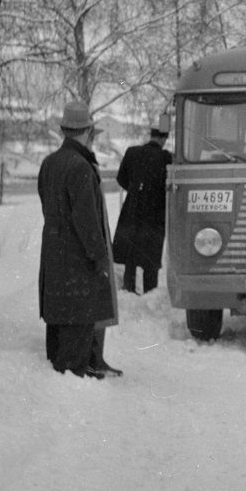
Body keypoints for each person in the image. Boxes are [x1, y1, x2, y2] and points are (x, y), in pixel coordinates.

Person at [37, 101, 121, 379]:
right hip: (78, 254)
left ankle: (80, 362)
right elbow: (87, 221)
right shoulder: (81, 166)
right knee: (81, 310)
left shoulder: (49, 163)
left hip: (54, 249)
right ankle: (78, 368)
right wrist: (99, 256)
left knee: (60, 311)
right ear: (88, 132)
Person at [112, 116, 172, 294]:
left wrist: (135, 191)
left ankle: (129, 287)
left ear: (151, 135)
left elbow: (121, 178)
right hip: (155, 212)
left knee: (131, 250)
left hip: (133, 209)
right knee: (151, 255)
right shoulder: (166, 157)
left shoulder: (132, 152)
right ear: (163, 138)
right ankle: (149, 290)